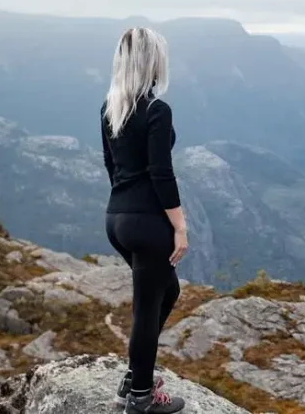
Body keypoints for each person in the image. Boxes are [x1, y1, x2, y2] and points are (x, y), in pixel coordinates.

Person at [101, 26, 189, 414]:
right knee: (148, 305)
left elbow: (111, 166)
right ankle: (140, 397)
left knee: (166, 294)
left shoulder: (110, 107)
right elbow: (161, 172)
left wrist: (126, 209)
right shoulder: (156, 110)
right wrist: (179, 227)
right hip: (147, 223)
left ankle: (134, 377)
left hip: (117, 219)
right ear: (153, 62)